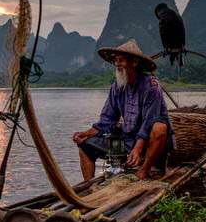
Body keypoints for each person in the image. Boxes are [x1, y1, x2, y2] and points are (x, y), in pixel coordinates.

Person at [72, 39, 174, 181]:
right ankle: (89, 187)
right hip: (129, 139)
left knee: (160, 127)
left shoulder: (151, 86)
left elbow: (148, 123)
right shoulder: (117, 86)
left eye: (121, 60)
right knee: (85, 146)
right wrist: (86, 134)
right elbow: (107, 119)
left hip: (152, 142)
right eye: (115, 60)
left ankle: (144, 170)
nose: (117, 64)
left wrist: (137, 149)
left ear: (134, 62)